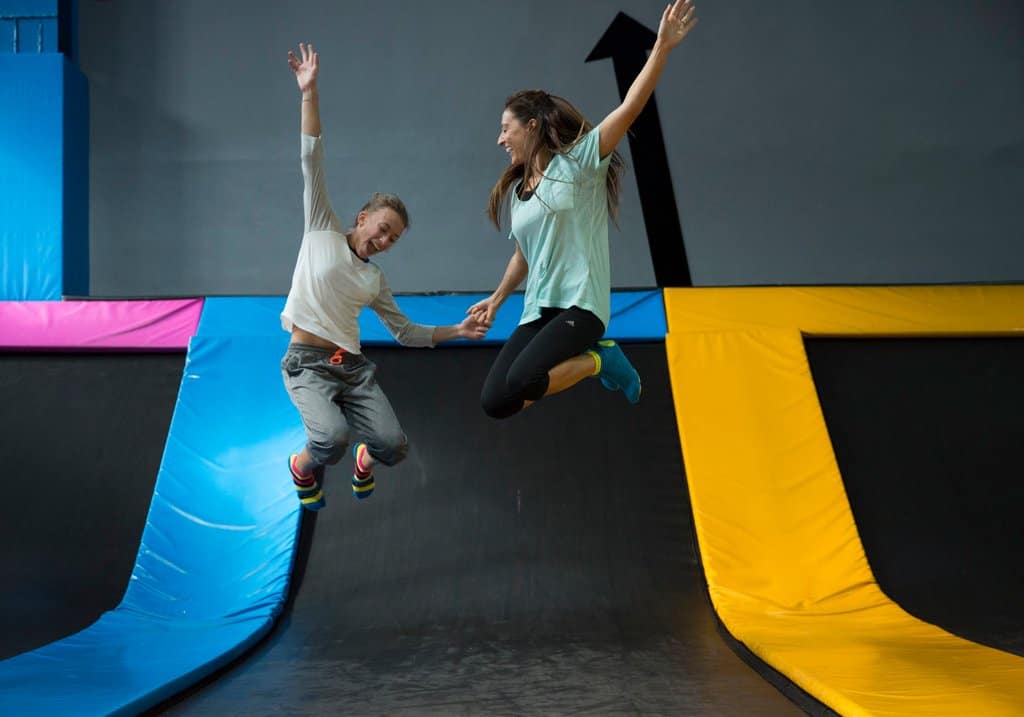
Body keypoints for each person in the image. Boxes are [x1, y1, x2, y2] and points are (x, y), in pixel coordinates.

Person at [281, 43, 488, 510]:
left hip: (351, 369)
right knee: (328, 438)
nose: (385, 241)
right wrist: (308, 93)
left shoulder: (375, 283)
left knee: (393, 447)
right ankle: (301, 465)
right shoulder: (321, 228)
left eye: (394, 239)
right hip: (305, 365)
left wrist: (458, 330)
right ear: (362, 217)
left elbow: (407, 332)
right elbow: (311, 157)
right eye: (383, 229)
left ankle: (364, 461)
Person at [470, 0, 698, 419]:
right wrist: (498, 299)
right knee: (497, 401)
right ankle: (597, 361)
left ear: (531, 125)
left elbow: (630, 107)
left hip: (581, 306)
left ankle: (602, 360)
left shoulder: (580, 162)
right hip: (540, 308)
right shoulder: (521, 193)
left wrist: (661, 48)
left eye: (506, 128)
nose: (500, 139)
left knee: (524, 381)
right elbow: (523, 254)